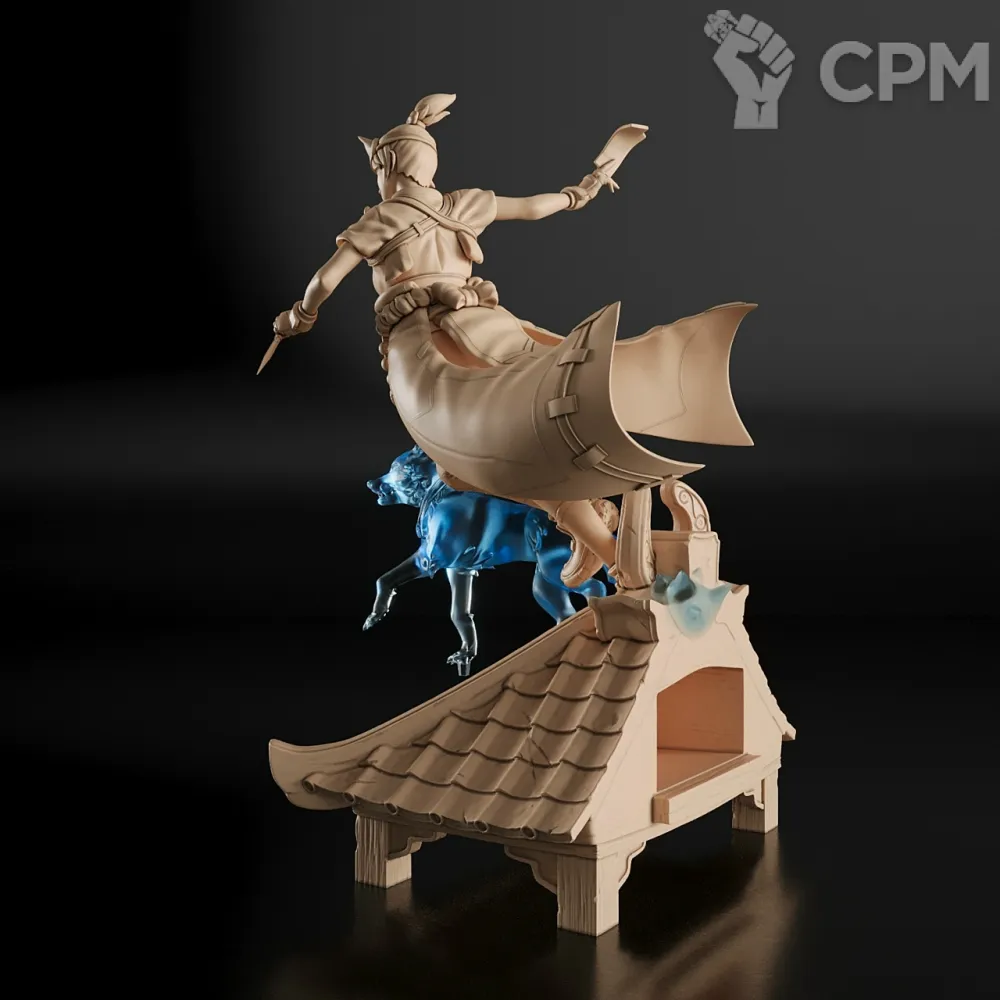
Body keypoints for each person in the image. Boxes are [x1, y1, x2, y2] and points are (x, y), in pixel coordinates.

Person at [272, 94, 753, 587]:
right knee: (479, 462)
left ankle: (608, 544)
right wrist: (580, 191)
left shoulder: (381, 218)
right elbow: (533, 208)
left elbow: (325, 280)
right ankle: (601, 539)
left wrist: (299, 316)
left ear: (389, 167)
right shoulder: (462, 203)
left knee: (474, 458)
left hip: (425, 346)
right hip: (486, 323)